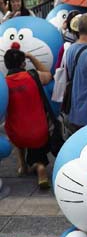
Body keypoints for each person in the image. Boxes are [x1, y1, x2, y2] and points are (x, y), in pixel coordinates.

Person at [4, 47, 52, 188]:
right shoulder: (33, 76)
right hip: (39, 132)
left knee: (16, 125)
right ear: (23, 64)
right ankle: (40, 166)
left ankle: (23, 165)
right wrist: (31, 56)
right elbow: (48, 74)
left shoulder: (4, 84)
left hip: (16, 135)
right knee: (35, 130)